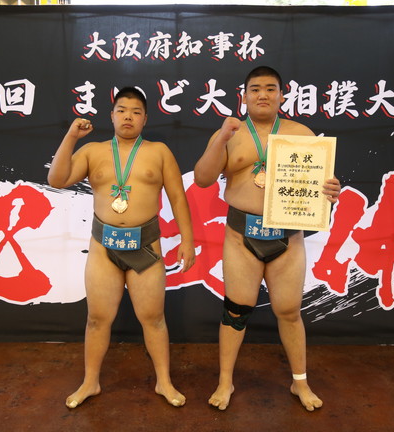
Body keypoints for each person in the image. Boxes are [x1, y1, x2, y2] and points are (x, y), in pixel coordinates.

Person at [194, 66, 341, 411]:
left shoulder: (301, 133)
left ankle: (299, 382)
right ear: (244, 96)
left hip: (287, 237)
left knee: (289, 311)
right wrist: (221, 138)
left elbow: (319, 187)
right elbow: (202, 178)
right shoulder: (231, 133)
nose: (263, 95)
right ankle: (225, 381)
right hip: (241, 236)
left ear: (282, 95)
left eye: (270, 89)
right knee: (235, 311)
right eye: (256, 89)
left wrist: (330, 191)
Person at [48, 87, 195, 409]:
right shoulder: (92, 151)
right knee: (97, 318)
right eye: (122, 110)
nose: (128, 116)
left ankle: (164, 381)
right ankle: (90, 382)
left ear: (145, 119)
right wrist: (71, 137)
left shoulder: (159, 152)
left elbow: (178, 197)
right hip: (104, 247)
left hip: (145, 245)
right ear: (112, 116)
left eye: (136, 111)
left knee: (153, 318)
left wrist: (187, 240)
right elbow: (57, 179)